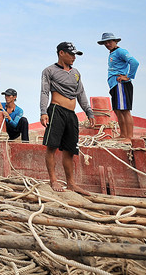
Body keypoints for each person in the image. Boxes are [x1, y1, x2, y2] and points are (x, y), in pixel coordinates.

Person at [40, 42, 94, 194]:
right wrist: (43, 112)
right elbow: (44, 92)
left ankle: (71, 183)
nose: (74, 57)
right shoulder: (49, 71)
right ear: (61, 53)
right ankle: (53, 180)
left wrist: (88, 111)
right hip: (56, 111)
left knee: (70, 150)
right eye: (71, 54)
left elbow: (81, 93)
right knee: (52, 147)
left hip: (72, 115)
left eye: (75, 55)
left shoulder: (76, 72)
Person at [97, 32, 139, 142]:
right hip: (114, 85)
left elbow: (134, 62)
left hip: (121, 84)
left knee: (125, 110)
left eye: (110, 41)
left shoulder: (120, 51)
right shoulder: (112, 53)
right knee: (117, 110)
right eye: (105, 42)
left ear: (115, 41)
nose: (107, 44)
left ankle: (129, 137)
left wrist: (129, 76)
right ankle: (123, 134)